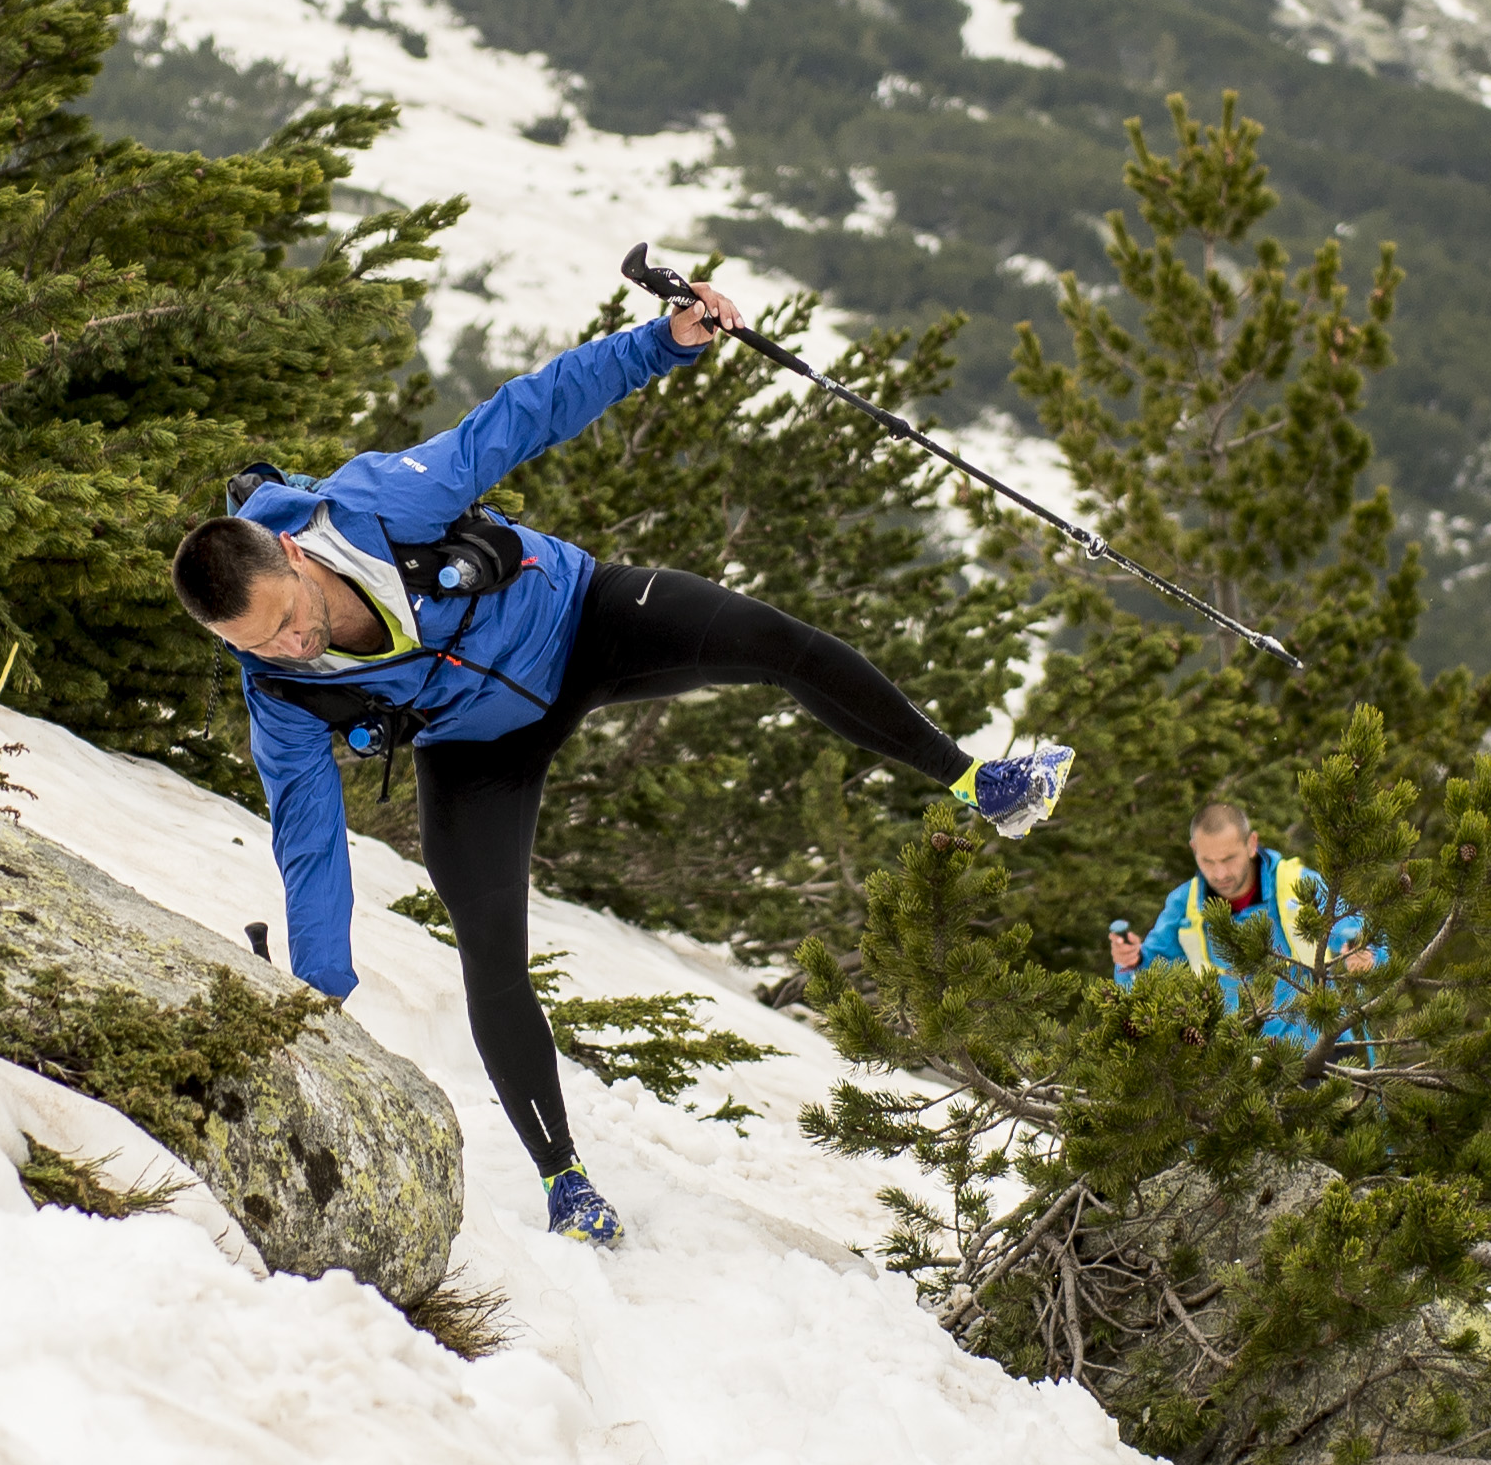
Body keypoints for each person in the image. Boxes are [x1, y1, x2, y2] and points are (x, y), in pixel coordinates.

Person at [169, 277, 1073, 1246]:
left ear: (294, 558)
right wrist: (318, 991)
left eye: (288, 621)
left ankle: (980, 782)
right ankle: (567, 1184)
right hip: (477, 743)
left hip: (580, 615)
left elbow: (525, 413)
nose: (291, 647)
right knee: (489, 951)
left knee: (778, 644)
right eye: (257, 644)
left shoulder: (381, 505)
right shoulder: (280, 691)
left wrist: (662, 343)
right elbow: (309, 841)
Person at [1111, 802, 1380, 1055]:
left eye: (1229, 859)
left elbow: (1367, 938)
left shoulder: (1300, 885)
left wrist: (1362, 954)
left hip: (1320, 1056)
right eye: (1208, 861)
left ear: (1251, 844)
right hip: (1236, 1065)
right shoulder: (1184, 905)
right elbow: (1145, 977)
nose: (1220, 874)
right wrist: (1129, 962)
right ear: (1193, 850)